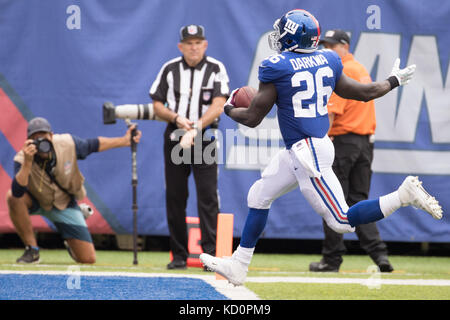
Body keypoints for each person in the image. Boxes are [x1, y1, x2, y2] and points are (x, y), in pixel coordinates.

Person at [200, 9, 443, 285]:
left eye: (283, 31)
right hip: (304, 148)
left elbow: (252, 118)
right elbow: (364, 93)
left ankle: (404, 194)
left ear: (292, 37)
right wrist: (393, 81)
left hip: (308, 153)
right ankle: (238, 266)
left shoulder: (276, 66)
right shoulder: (328, 59)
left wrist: (228, 108)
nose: (278, 36)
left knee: (341, 220)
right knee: (259, 195)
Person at [309, 29, 393, 273]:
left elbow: (332, 114)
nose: (327, 50)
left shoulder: (341, 69)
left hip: (343, 143)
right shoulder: (359, 67)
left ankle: (331, 260)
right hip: (365, 144)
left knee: (333, 201)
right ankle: (380, 255)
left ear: (344, 46)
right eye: (324, 45)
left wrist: (317, 141)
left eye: (332, 46)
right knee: (358, 201)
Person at [6, 117, 142, 264]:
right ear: (29, 141)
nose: (42, 142)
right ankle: (32, 250)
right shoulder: (22, 157)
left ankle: (72, 238)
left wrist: (124, 141)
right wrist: (27, 162)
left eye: (44, 137)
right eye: (36, 138)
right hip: (36, 200)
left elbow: (93, 145)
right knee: (12, 197)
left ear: (51, 136)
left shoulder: (67, 143)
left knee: (87, 259)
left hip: (64, 203)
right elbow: (17, 192)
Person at [149, 24, 230, 270]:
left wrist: (196, 127)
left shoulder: (216, 68)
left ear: (205, 44)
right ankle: (179, 255)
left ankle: (209, 256)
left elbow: (219, 104)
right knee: (176, 196)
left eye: (198, 43)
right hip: (176, 135)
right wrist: (176, 119)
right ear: (181, 46)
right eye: (189, 43)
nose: (193, 47)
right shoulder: (170, 69)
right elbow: (157, 104)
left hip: (203, 137)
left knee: (207, 196)